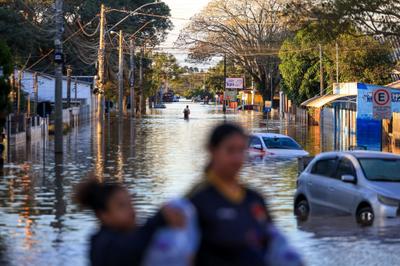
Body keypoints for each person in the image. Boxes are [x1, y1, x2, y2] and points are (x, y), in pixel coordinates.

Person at [187, 123, 302, 266]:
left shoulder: (255, 200)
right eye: (230, 150)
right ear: (212, 150)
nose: (237, 159)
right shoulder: (193, 203)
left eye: (241, 150)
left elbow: (276, 247)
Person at [75, 178, 184, 266]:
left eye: (131, 203)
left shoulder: (129, 235)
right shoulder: (103, 243)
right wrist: (159, 219)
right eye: (121, 206)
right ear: (103, 215)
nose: (131, 210)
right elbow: (128, 248)